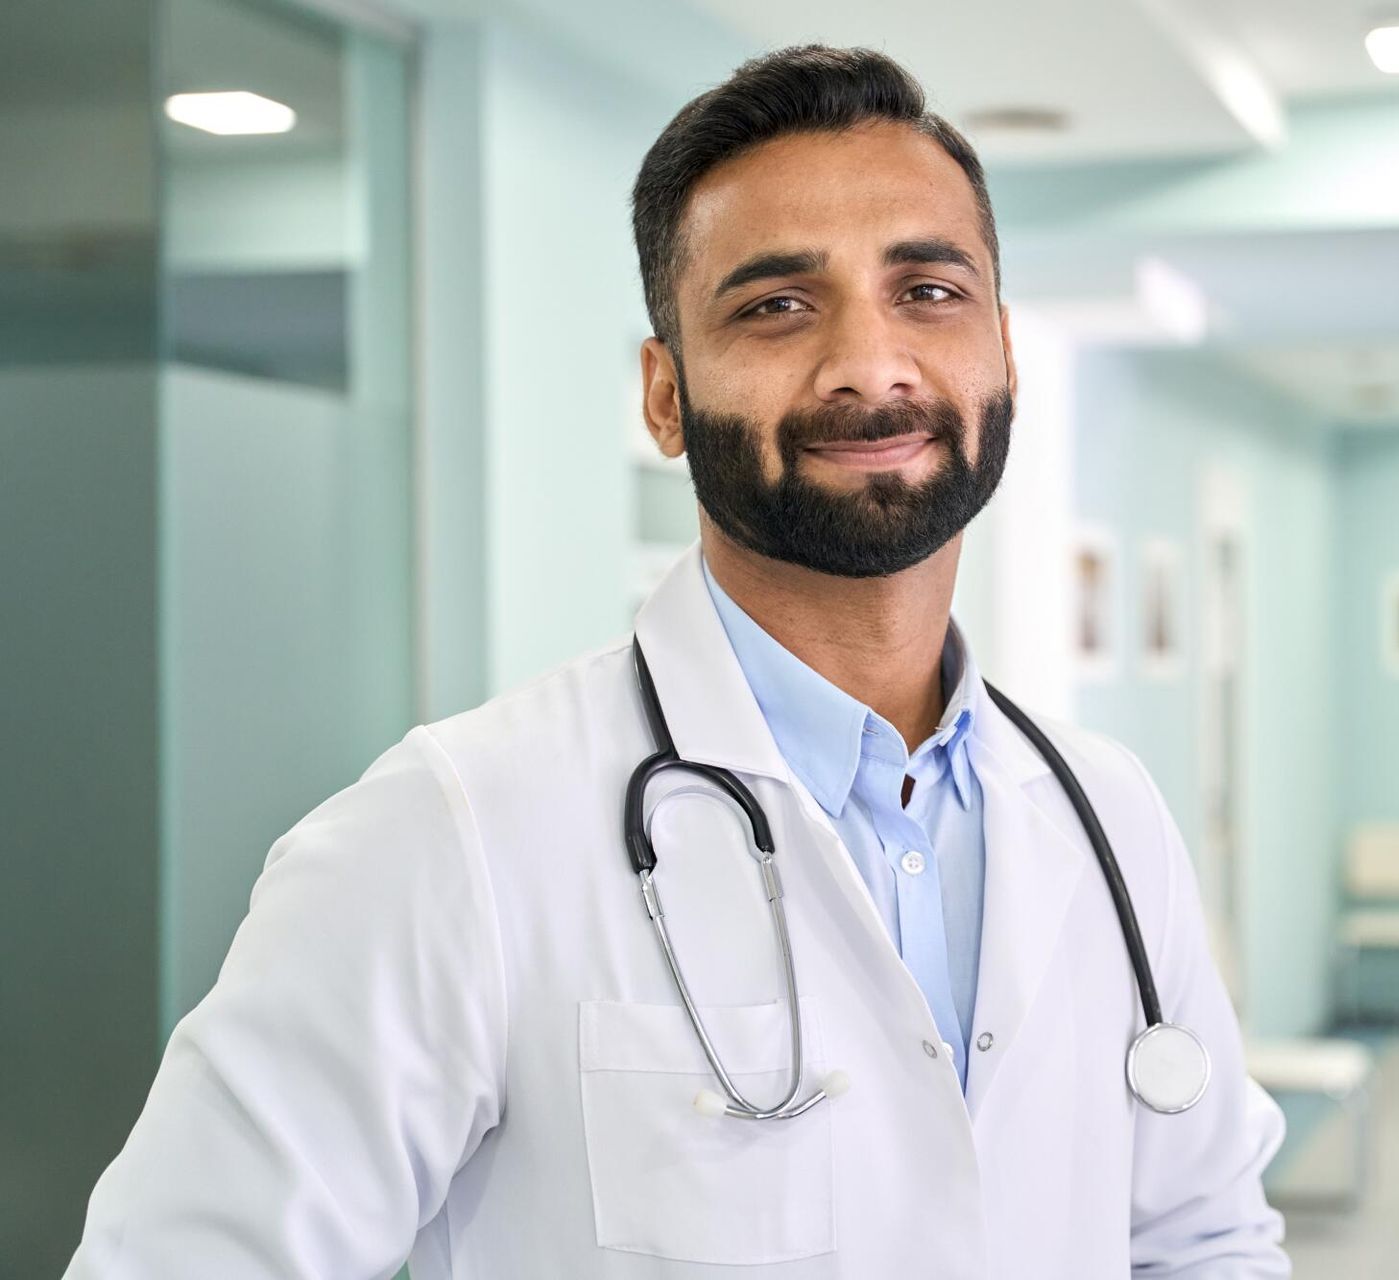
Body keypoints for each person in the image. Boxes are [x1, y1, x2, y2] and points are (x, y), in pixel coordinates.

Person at [66, 44, 1288, 1278]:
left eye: (928, 291)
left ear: (1004, 354)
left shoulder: (1108, 816)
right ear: (663, 394)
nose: (872, 364)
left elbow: (1207, 1239)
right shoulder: (451, 834)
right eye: (776, 306)